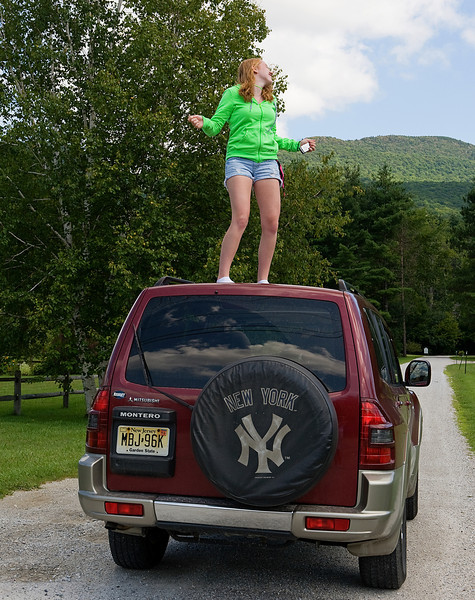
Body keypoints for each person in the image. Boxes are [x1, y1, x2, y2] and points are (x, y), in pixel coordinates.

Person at [188, 58, 316, 284]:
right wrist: (204, 122)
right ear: (254, 69)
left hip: (267, 162)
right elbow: (216, 126)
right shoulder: (232, 94)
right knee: (241, 218)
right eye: (268, 66)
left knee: (272, 222)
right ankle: (223, 276)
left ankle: (263, 280)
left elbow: (272, 136)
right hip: (239, 160)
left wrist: (297, 145)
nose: (272, 70)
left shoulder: (270, 100)